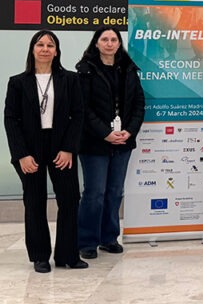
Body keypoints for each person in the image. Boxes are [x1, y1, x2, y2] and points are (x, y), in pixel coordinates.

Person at [5, 30, 87, 273]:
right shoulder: (18, 82)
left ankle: (67, 255)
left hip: (61, 145)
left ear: (56, 51)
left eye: (50, 45)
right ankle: (40, 255)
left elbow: (78, 115)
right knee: (34, 201)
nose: (45, 48)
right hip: (30, 147)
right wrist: (21, 154)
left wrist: (69, 149)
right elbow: (11, 119)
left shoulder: (70, 79)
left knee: (70, 199)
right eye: (40, 44)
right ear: (32, 49)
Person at [75, 27, 145, 260]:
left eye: (113, 39)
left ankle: (108, 238)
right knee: (95, 193)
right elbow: (83, 109)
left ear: (119, 43)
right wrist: (105, 133)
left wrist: (129, 131)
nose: (109, 43)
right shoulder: (85, 70)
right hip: (94, 143)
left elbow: (138, 106)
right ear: (96, 43)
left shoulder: (129, 69)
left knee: (115, 192)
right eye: (104, 39)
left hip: (123, 141)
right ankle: (87, 241)